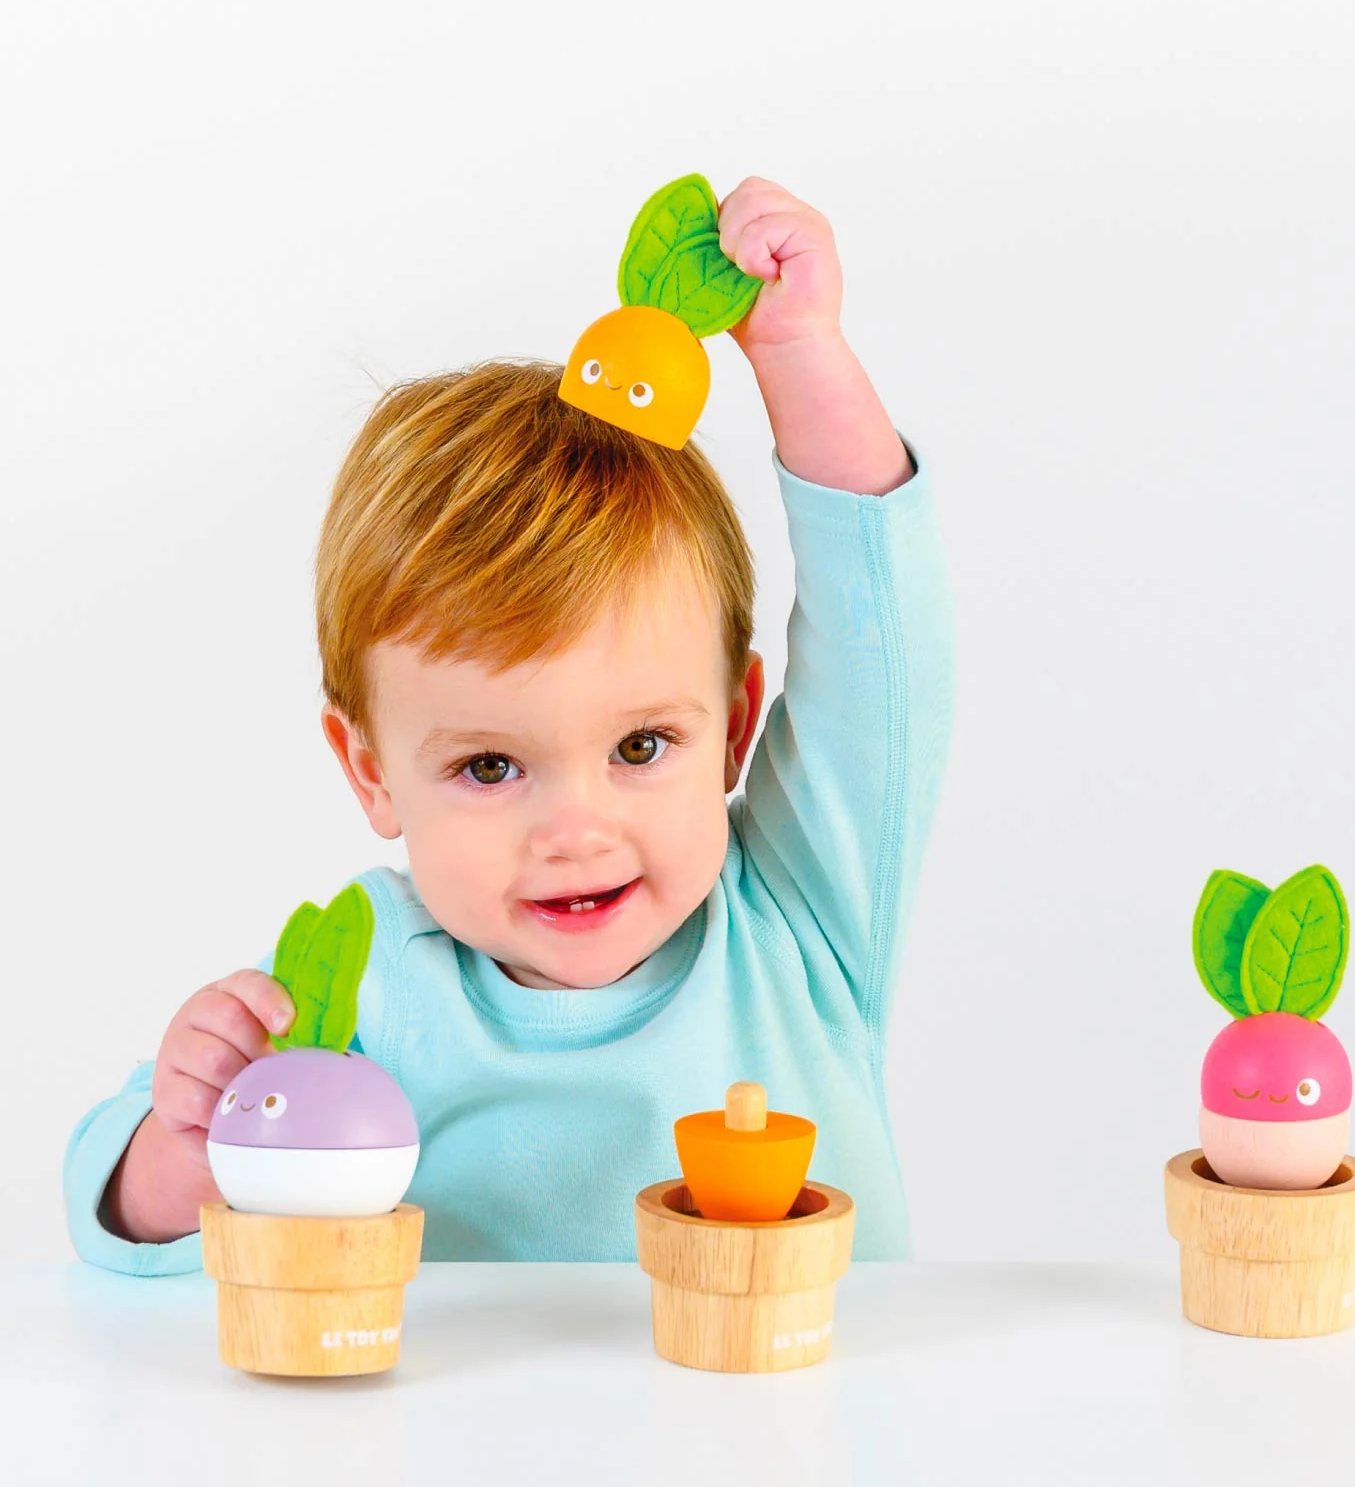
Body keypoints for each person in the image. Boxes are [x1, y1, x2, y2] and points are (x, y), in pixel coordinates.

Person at [64, 176, 955, 1271]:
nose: (575, 829)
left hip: (800, 1436)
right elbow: (111, 1218)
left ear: (732, 729)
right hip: (458, 1447)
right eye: (490, 765)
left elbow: (884, 644)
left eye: (640, 747)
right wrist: (182, 1150)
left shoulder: (800, 918)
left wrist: (799, 352)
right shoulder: (361, 981)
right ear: (372, 770)